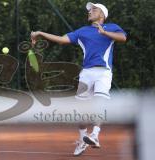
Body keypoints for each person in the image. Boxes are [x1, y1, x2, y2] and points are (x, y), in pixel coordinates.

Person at [30, 2, 127, 156]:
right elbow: (62, 40)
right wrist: (41, 33)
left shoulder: (112, 27)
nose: (89, 12)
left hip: (104, 72)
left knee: (100, 102)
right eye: (89, 10)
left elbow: (123, 38)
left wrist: (105, 33)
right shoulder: (82, 31)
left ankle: (95, 135)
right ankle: (83, 139)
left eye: (93, 9)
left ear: (102, 14)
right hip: (86, 74)